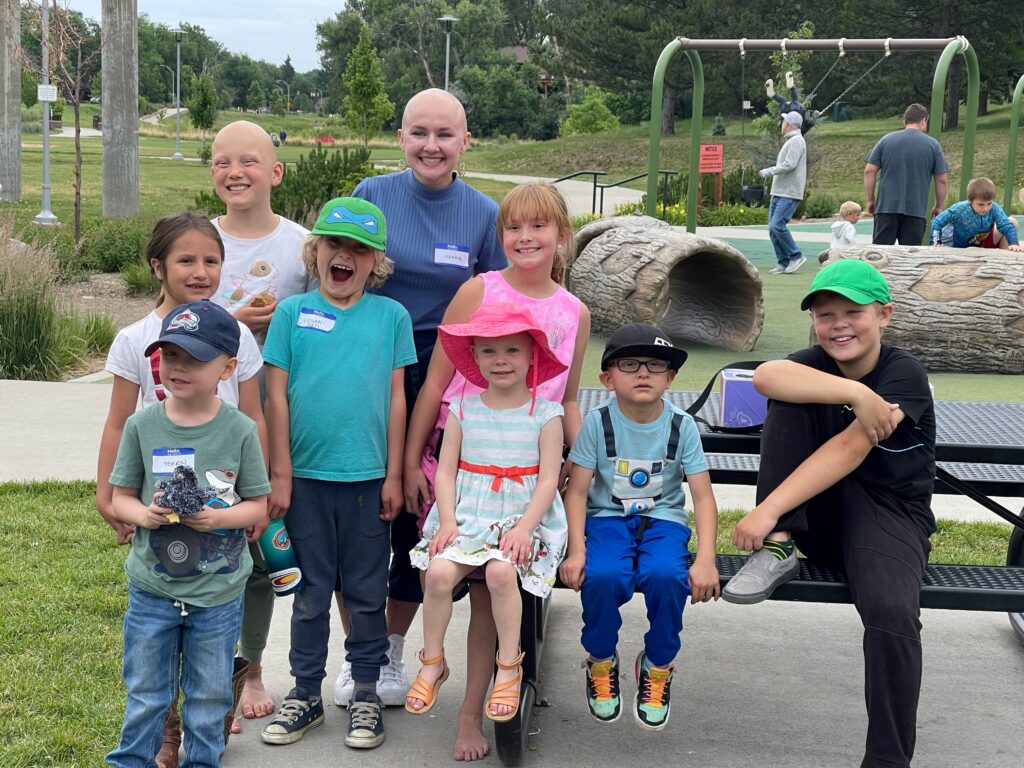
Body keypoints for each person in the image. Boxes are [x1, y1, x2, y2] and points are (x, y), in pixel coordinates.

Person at [722, 258, 936, 768]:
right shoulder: (814, 363)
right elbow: (768, 375)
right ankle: (779, 545)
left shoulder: (904, 372)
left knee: (890, 610)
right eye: (824, 314)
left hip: (886, 514)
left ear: (884, 315)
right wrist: (855, 392)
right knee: (789, 396)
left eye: (853, 311)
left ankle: (887, 759)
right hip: (812, 519)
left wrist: (767, 508)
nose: (838, 324)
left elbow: (849, 449)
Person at [334, 87, 505, 724]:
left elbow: (494, 309)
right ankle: (360, 654)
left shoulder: (484, 214)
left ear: (466, 141)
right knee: (353, 516)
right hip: (368, 365)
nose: (430, 146)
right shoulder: (370, 196)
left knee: (412, 521)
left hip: (442, 373)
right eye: (418, 133)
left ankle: (393, 653)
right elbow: (335, 269)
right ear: (400, 136)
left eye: (444, 134)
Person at [402, 181, 590, 759]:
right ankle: (427, 670)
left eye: (539, 227)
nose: (525, 238)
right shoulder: (477, 290)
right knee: (444, 572)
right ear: (500, 234)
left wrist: (577, 471)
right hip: (466, 464)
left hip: (531, 468)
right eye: (513, 227)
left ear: (561, 236)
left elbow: (569, 397)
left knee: (492, 591)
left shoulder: (573, 311)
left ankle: (472, 715)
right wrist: (412, 461)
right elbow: (437, 383)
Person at [95, 213, 268, 767]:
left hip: (218, 579)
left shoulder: (237, 419)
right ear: (158, 267)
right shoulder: (144, 396)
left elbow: (257, 452)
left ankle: (201, 754)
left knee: (209, 691)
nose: (178, 367)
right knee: (146, 689)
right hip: (154, 574)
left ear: (225, 366)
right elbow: (119, 429)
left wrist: (233, 514)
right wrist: (123, 504)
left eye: (210, 260)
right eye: (171, 357)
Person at [260, 197, 415, 750]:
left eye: (358, 249)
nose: (343, 256)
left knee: (368, 593)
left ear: (376, 263)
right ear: (315, 251)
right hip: (304, 482)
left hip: (370, 482)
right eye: (333, 245)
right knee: (309, 593)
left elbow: (398, 400)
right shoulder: (291, 313)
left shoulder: (391, 318)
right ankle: (305, 692)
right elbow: (273, 395)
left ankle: (367, 691)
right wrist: (280, 472)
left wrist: (395, 474)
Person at [406, 303, 567, 726]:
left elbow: (549, 480)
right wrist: (446, 520)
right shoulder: (462, 407)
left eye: (512, 351)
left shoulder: (546, 413)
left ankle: (509, 666)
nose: (500, 361)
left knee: (499, 574)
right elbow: (445, 471)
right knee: (438, 574)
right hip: (469, 513)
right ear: (473, 357)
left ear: (532, 355)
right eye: (489, 351)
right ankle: (433, 661)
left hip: (523, 516)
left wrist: (526, 527)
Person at [558, 324, 719, 731]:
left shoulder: (682, 426)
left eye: (655, 364)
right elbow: (576, 492)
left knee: (668, 576)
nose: (643, 373)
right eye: (629, 364)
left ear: (671, 377)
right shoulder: (597, 423)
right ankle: (600, 658)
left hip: (663, 522)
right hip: (607, 520)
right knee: (603, 575)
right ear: (608, 379)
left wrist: (705, 559)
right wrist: (576, 551)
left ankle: (658, 663)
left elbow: (701, 496)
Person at [208, 119, 313, 736]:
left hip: (272, 418)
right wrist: (233, 320)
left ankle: (250, 668)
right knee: (212, 549)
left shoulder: (298, 247)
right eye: (222, 161)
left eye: (249, 160)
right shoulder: (201, 239)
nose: (235, 171)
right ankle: (213, 670)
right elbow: (173, 319)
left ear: (275, 171)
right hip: (204, 423)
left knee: (260, 551)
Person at [864, 103, 949, 246]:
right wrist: (938, 205)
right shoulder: (933, 145)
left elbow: (869, 171)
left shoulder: (886, 140)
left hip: (886, 208)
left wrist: (870, 200)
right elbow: (941, 180)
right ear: (923, 121)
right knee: (911, 258)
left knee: (880, 254)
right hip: (915, 211)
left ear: (905, 121)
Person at [761, 111, 808, 274]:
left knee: (777, 226)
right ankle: (783, 262)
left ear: (788, 124)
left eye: (783, 121)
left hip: (789, 192)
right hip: (780, 192)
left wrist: (769, 171)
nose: (781, 124)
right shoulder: (791, 141)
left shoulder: (796, 141)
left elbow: (789, 164)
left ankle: (796, 255)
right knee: (772, 229)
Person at [929, 176, 1023, 251]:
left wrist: (1014, 243)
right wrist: (936, 242)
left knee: (1011, 222)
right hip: (959, 248)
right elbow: (938, 221)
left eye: (989, 203)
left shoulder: (994, 208)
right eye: (980, 204)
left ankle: (1004, 260)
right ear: (970, 201)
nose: (986, 208)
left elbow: (1006, 225)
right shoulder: (960, 208)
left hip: (984, 244)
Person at [766, 70, 814, 135]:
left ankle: (791, 88)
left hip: (793, 111)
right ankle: (773, 94)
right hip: (784, 112)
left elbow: (808, 119)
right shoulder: (795, 132)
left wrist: (813, 115)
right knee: (783, 101)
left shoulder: (800, 130)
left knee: (794, 100)